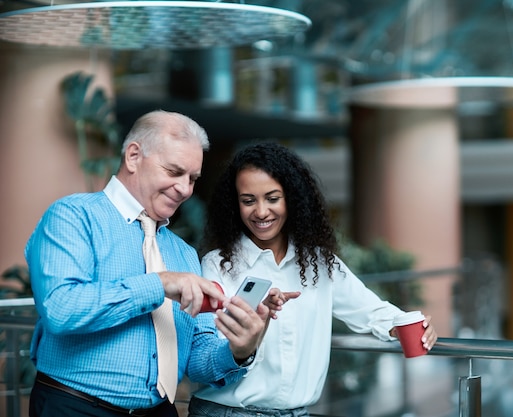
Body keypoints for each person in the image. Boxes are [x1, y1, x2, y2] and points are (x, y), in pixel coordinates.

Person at [26, 110, 268, 417]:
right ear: (133, 156)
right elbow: (61, 309)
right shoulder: (73, 217)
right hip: (75, 407)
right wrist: (160, 283)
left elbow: (197, 359)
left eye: (192, 178)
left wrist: (239, 350)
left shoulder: (183, 254)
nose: (185, 189)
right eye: (174, 171)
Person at [189, 142, 438, 416]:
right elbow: (206, 352)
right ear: (235, 204)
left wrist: (412, 326)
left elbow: (369, 310)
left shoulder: (320, 263)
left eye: (273, 198)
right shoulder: (217, 264)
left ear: (292, 199)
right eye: (248, 201)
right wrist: (253, 326)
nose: (260, 212)